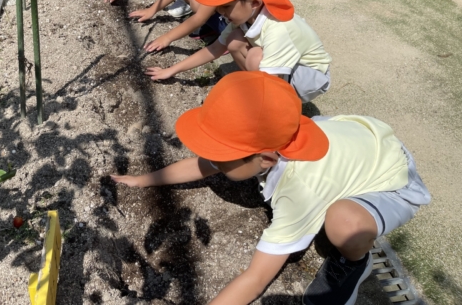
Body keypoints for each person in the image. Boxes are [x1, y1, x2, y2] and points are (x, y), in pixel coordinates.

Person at [111, 71, 431, 305]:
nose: (212, 160)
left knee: (344, 223)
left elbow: (256, 278)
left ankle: (355, 263)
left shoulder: (301, 190)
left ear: (265, 158)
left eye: (222, 155)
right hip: (359, 142)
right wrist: (143, 180)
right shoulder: (274, 134)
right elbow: (203, 164)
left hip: (393, 178)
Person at [146, 0, 331, 104]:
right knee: (234, 40)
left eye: (226, 6)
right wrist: (171, 70)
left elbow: (271, 81)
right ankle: (256, 91)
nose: (220, 12)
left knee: (255, 57)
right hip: (287, 65)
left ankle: (276, 105)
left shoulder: (278, 28)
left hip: (308, 76)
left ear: (254, 2)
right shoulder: (247, 17)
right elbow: (215, 49)